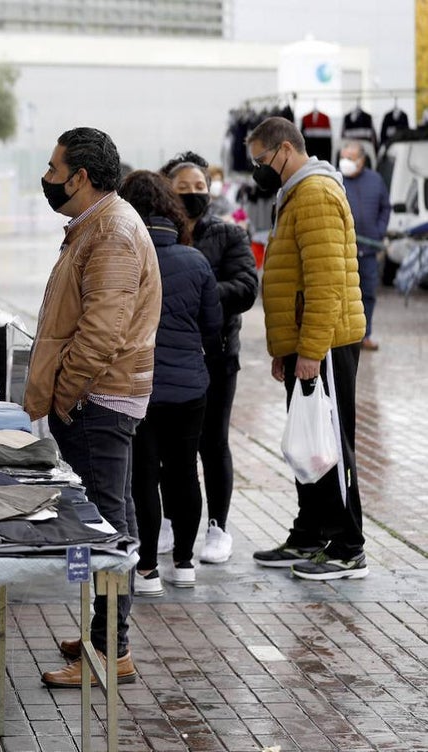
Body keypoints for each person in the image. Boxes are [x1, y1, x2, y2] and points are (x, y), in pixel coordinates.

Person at [25, 128, 161, 687]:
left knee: (107, 524)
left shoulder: (111, 232)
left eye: (55, 168)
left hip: (98, 400)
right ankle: (100, 631)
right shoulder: (97, 225)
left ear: (80, 177)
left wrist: (65, 395)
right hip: (95, 397)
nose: (49, 177)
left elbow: (101, 332)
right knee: (106, 516)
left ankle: (110, 649)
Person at [247, 117, 369, 580]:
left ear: (283, 149)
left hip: (328, 341)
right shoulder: (295, 193)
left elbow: (325, 282)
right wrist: (286, 347)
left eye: (261, 160)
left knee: (332, 444)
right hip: (306, 341)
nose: (259, 169)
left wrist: (312, 349)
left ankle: (349, 546)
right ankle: (311, 533)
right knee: (309, 438)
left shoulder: (315, 194)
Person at [118, 170, 222, 594]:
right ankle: (184, 562)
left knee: (143, 474)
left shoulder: (125, 258)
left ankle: (146, 569)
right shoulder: (195, 260)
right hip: (190, 389)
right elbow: (212, 328)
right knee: (184, 473)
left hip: (138, 385)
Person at [162, 153, 258, 565]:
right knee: (168, 445)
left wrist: (199, 291)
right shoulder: (156, 236)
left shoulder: (229, 234)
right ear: (167, 191)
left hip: (217, 355)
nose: (193, 195)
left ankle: (217, 526)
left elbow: (246, 288)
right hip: (169, 357)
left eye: (199, 188)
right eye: (183, 189)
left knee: (213, 442)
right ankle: (167, 519)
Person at [339, 139, 391, 351]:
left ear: (362, 160)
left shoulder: (375, 180)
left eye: (350, 159)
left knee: (367, 293)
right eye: (343, 158)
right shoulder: (336, 179)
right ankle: (344, 337)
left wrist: (378, 233)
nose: (345, 162)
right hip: (343, 251)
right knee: (343, 294)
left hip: (368, 250)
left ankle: (365, 334)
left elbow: (385, 207)